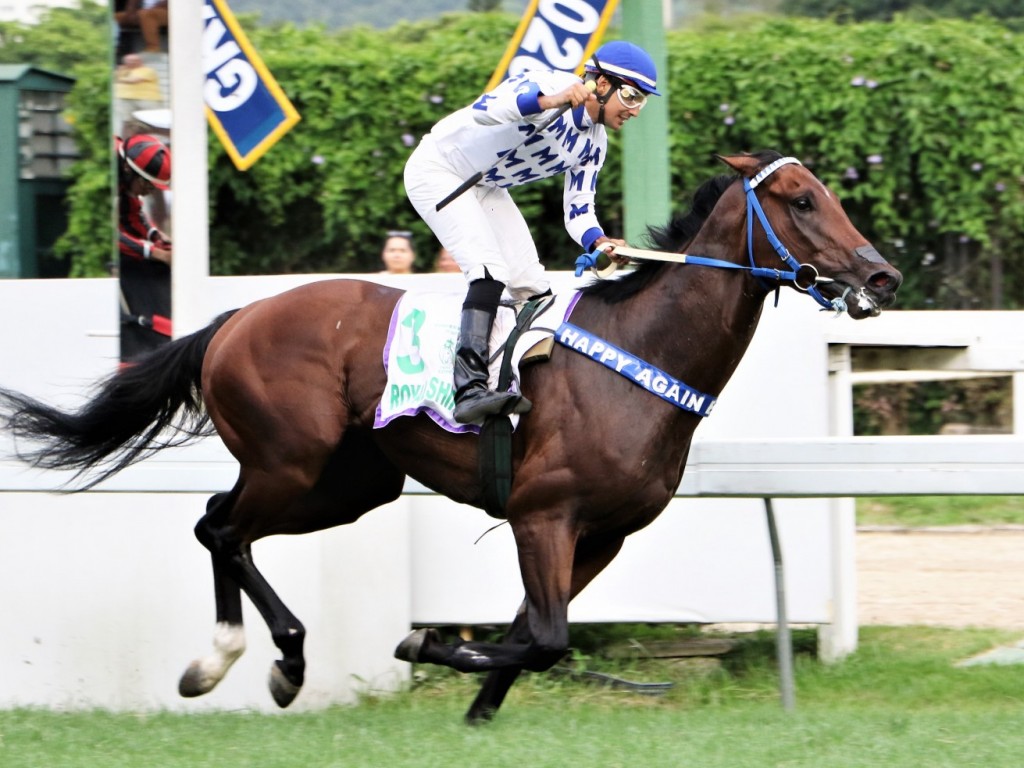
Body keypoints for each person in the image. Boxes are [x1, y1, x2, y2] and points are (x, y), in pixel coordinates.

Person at [404, 40, 661, 424]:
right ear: (600, 84)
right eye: (631, 96)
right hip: (438, 170)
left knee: (534, 289)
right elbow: (485, 110)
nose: (635, 110)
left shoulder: (594, 144)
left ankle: (512, 381)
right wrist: (551, 100)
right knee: (489, 272)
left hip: (486, 186)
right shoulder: (547, 83)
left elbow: (578, 210)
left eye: (641, 101)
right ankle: (469, 388)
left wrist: (599, 241)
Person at [117, 133, 172, 360]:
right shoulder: (111, 176)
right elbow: (113, 237)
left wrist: (154, 234)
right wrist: (155, 253)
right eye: (148, 186)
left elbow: (132, 213)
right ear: (131, 172)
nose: (150, 192)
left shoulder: (127, 175)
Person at [113, 53, 163, 135]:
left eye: (134, 61)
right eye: (128, 61)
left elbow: (133, 81)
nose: (131, 62)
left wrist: (118, 79)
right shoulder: (123, 71)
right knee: (127, 121)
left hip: (147, 99)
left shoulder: (147, 70)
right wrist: (119, 71)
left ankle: (154, 141)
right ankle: (126, 141)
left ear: (140, 61)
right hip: (125, 99)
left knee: (151, 120)